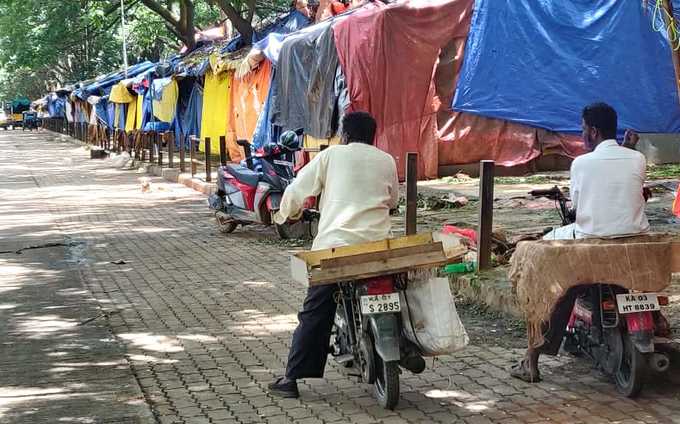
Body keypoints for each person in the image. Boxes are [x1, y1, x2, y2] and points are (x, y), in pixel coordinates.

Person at [511, 102, 650, 383]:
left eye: (584, 129)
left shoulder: (581, 164)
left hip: (590, 242)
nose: (582, 134)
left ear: (594, 132)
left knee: (551, 283)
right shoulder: (637, 159)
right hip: (634, 240)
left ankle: (531, 359)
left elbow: (579, 206)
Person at [267, 111, 400, 398]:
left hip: (334, 250)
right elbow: (393, 200)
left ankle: (291, 380)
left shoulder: (331, 156)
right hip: (378, 250)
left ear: (345, 135)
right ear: (373, 136)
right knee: (402, 294)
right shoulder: (386, 160)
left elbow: (298, 189)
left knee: (315, 311)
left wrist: (284, 214)